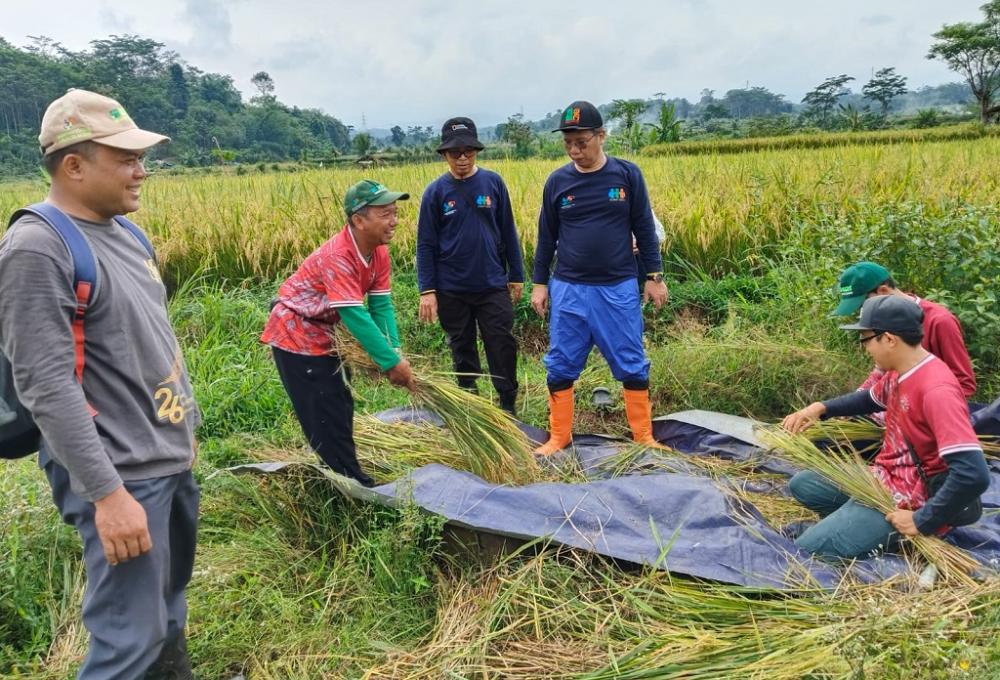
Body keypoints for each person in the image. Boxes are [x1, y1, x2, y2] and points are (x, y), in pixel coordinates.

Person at [0, 89, 201, 678]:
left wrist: (185, 435)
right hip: (120, 474)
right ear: (74, 165)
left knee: (166, 612)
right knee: (128, 640)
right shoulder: (38, 247)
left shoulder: (127, 234)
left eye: (141, 158)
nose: (141, 171)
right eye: (126, 158)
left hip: (166, 456)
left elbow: (151, 343)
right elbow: (46, 385)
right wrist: (108, 496)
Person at [782, 295, 990, 560]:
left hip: (910, 499)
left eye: (866, 339)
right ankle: (861, 527)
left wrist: (921, 520)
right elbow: (869, 399)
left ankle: (890, 532)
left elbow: (974, 473)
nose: (864, 348)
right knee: (804, 484)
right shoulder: (900, 372)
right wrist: (820, 408)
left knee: (804, 554)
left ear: (889, 339)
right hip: (884, 478)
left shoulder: (937, 391)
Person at [531, 100, 669, 455]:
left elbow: (644, 228)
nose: (575, 150)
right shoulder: (557, 182)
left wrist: (653, 276)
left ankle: (643, 437)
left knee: (631, 360)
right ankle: (559, 436)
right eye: (568, 144)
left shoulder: (626, 175)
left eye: (582, 142)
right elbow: (546, 236)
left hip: (617, 288)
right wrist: (539, 283)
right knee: (561, 362)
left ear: (601, 136)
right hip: (569, 288)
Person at [261, 179, 416, 487]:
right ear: (358, 220)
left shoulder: (377, 251)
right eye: (385, 214)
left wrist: (394, 352)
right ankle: (347, 484)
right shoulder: (339, 256)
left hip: (327, 334)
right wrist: (388, 363)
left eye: (395, 212)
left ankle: (346, 473)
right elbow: (355, 315)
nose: (394, 221)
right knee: (324, 408)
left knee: (341, 402)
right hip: (298, 336)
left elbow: (381, 305)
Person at [416, 117, 525, 415]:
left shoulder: (493, 183)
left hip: (492, 284)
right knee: (461, 347)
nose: (462, 158)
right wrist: (427, 290)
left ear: (476, 151)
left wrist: (516, 275)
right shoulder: (435, 193)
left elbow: (507, 230)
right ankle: (472, 405)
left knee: (501, 344)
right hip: (452, 288)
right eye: (455, 153)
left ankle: (507, 406)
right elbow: (425, 244)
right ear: (444, 155)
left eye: (468, 151)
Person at [833, 261, 976, 398]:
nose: (862, 311)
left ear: (883, 291)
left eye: (863, 304)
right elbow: (880, 373)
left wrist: (916, 412)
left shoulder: (939, 321)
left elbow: (964, 384)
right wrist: (853, 406)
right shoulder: (883, 319)